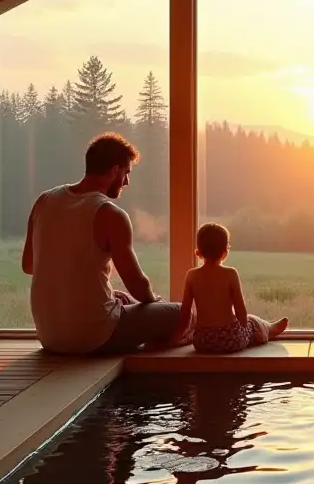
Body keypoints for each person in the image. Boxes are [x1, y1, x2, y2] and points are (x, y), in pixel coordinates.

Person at [22, 132, 188, 355]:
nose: (127, 181)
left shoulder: (44, 201)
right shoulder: (110, 214)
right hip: (94, 337)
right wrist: (156, 303)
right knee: (182, 314)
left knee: (119, 298)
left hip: (48, 337)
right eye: (126, 173)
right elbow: (138, 284)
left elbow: (29, 266)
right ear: (114, 170)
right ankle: (160, 344)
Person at [172, 222, 288, 354]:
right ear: (225, 253)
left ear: (198, 252)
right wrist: (246, 324)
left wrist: (179, 336)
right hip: (230, 339)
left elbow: (185, 312)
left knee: (245, 323)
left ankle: (264, 329)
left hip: (202, 341)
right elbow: (241, 311)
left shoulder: (191, 275)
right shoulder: (230, 274)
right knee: (252, 321)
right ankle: (269, 329)